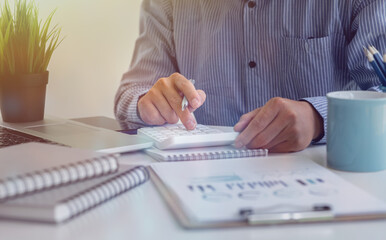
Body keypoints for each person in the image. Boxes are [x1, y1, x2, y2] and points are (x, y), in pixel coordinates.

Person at [114, 0, 386, 152]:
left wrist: (319, 118)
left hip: (324, 183)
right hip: (200, 181)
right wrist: (146, 105)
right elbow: (129, 95)